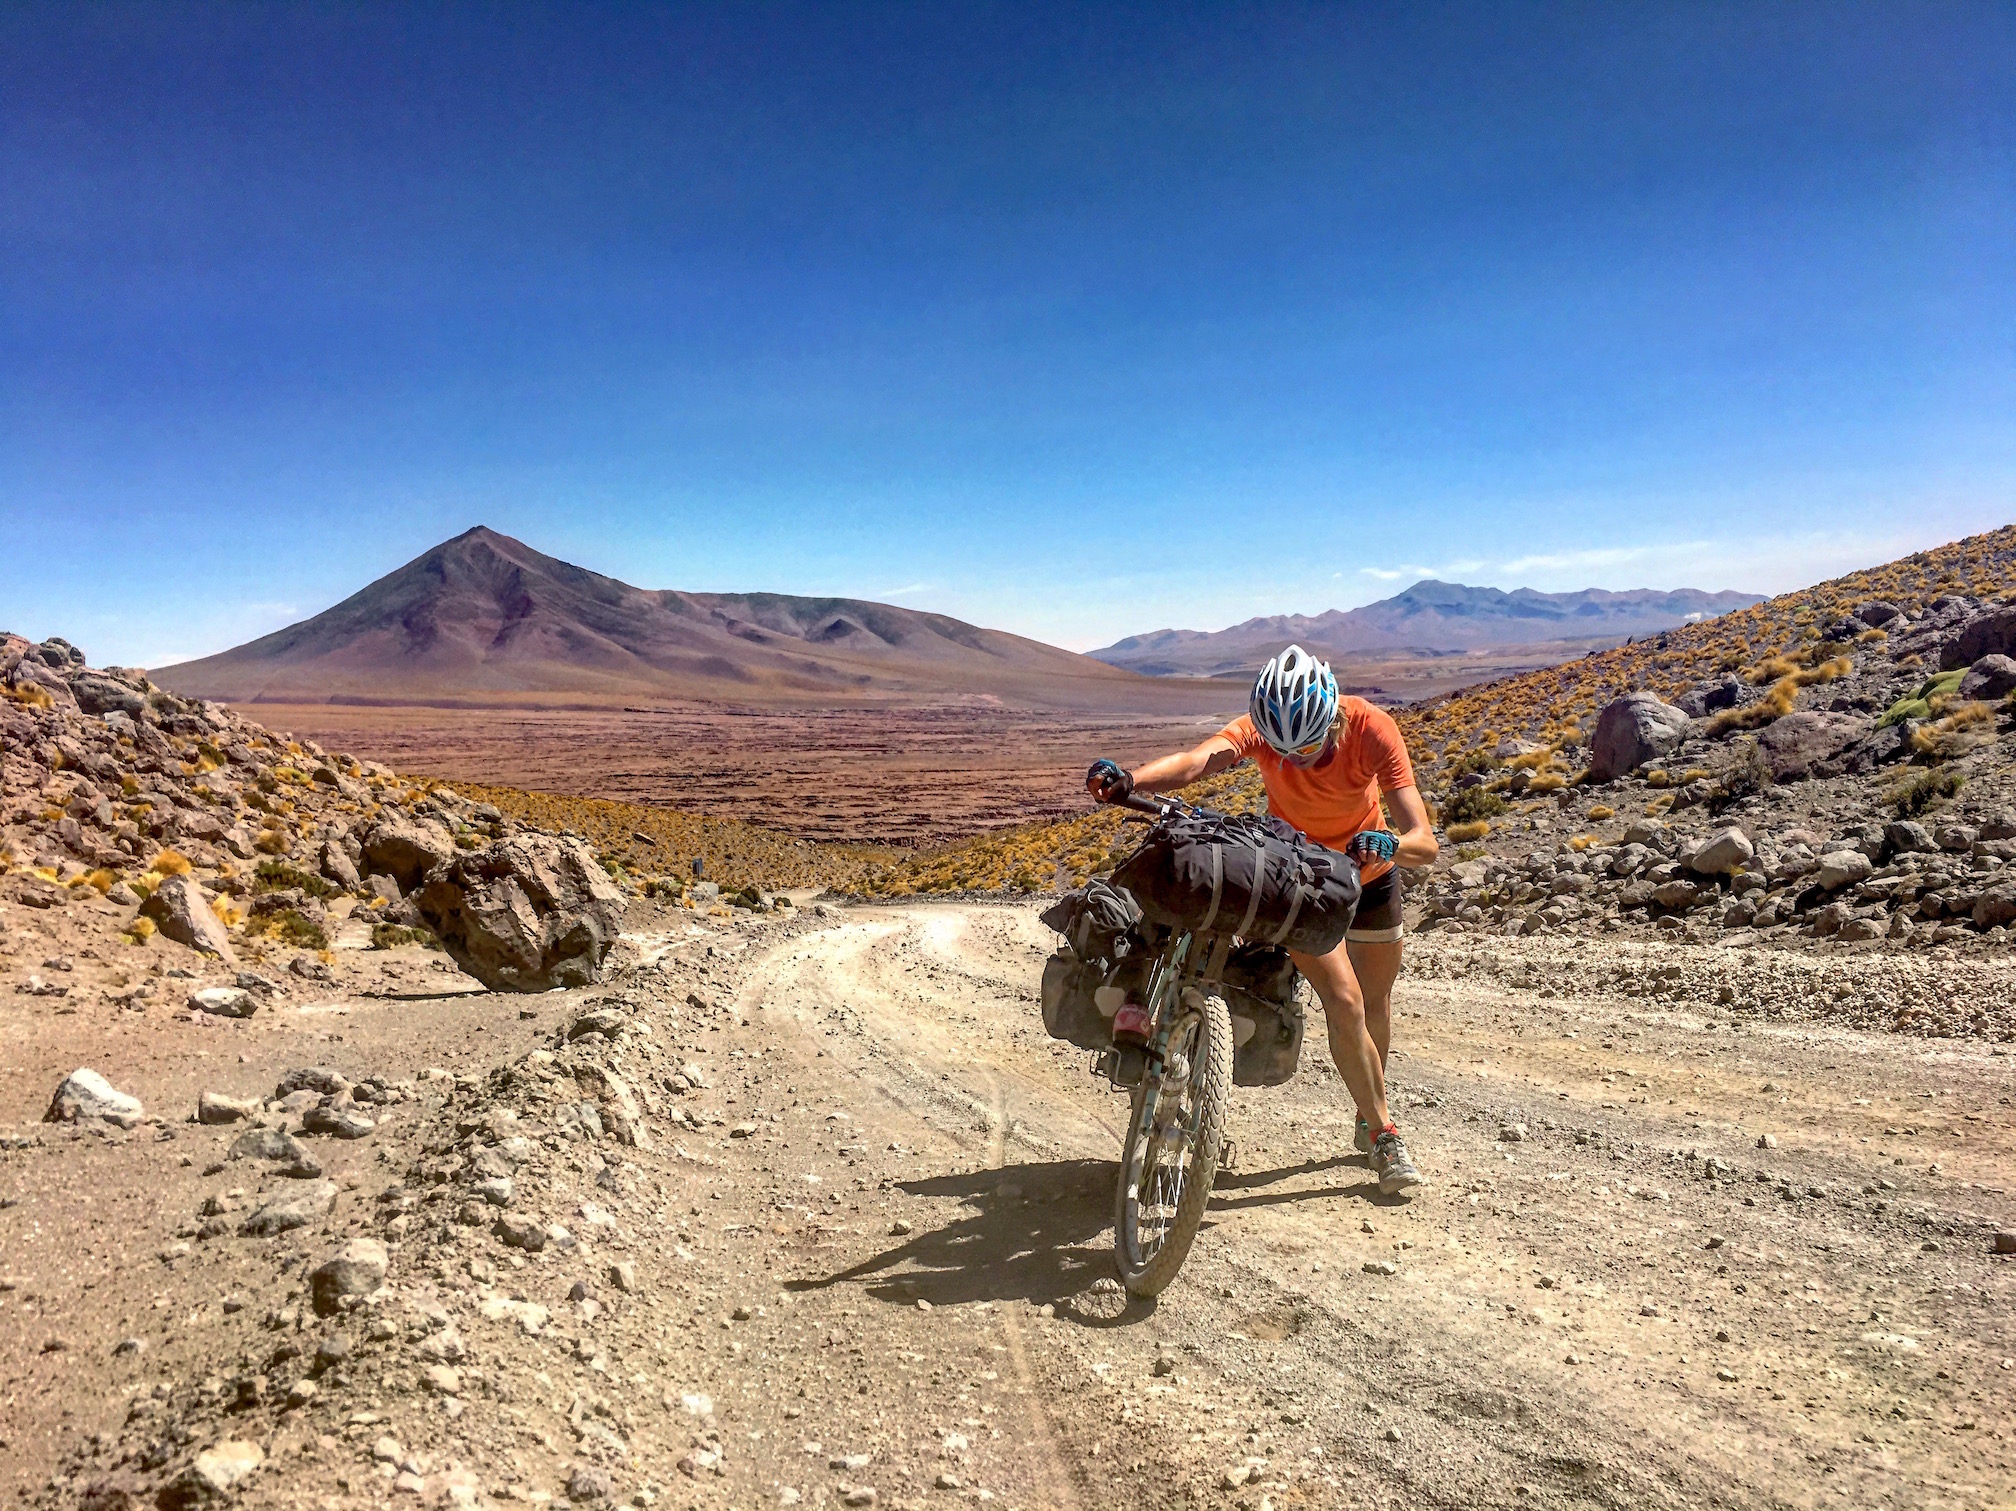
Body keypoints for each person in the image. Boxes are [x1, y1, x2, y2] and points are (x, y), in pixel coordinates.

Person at [1086, 644, 1436, 1195]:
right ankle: (1383, 1130)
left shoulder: (1373, 728)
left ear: (1332, 719)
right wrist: (1134, 779)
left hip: (1370, 877)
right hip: (1302, 881)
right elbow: (1201, 760)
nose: (1297, 762)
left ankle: (1369, 1107)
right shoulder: (1258, 728)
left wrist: (1389, 841)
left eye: (1310, 749)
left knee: (1374, 1004)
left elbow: (1426, 842)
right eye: (1283, 753)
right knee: (1344, 1002)